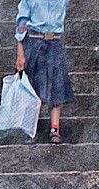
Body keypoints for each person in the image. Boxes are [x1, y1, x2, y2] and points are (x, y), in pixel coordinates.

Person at [14, 5, 74, 145]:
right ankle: (28, 127)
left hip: (54, 43)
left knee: (56, 85)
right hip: (34, 43)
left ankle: (55, 129)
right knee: (32, 86)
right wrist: (20, 52)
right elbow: (21, 23)